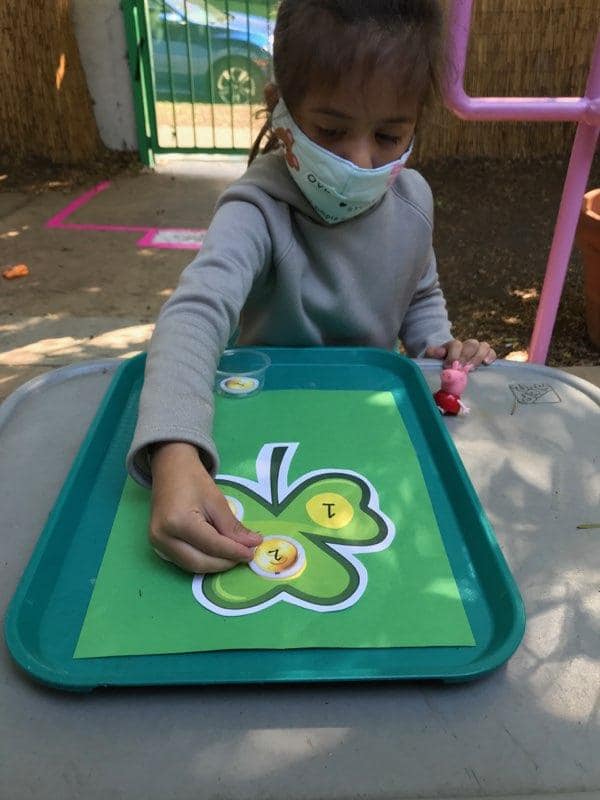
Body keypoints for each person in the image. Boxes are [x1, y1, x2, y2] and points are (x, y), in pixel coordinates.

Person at [127, 0, 496, 574]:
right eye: (330, 130)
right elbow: (196, 313)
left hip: (368, 431)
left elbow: (419, 294)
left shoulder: (414, 202)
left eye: (389, 134)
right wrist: (174, 448)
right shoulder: (256, 209)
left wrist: (438, 350)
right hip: (258, 429)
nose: (360, 159)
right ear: (281, 109)